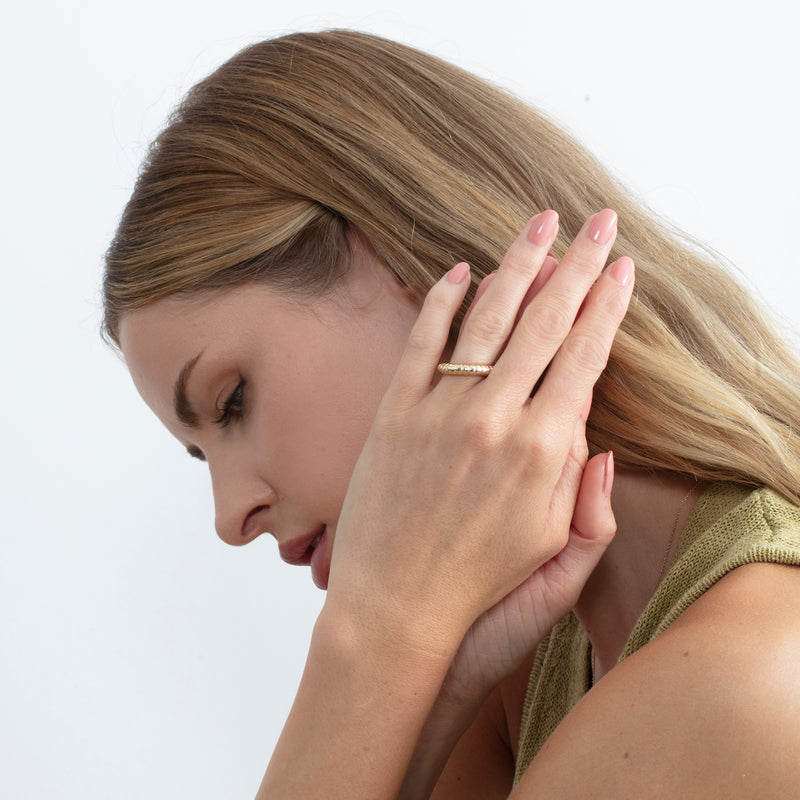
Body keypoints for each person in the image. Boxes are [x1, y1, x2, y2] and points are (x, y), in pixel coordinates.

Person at [103, 29, 800, 798]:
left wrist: (374, 635)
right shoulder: (550, 649)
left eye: (231, 402)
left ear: (402, 260)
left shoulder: (730, 686)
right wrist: (434, 700)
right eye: (200, 454)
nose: (230, 515)